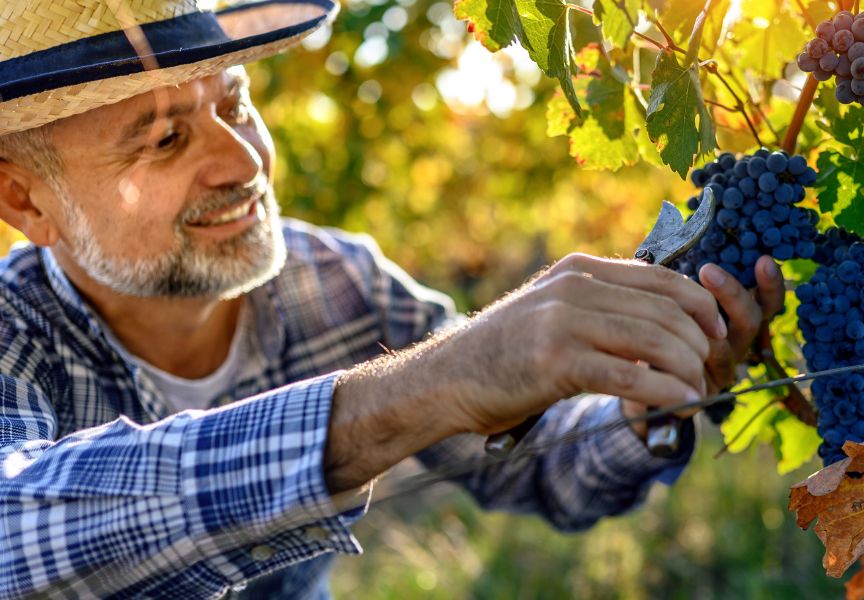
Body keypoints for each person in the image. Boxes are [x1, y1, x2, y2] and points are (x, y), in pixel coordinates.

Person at [0, 1, 783, 598]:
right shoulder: (13, 333)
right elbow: (13, 539)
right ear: (25, 200)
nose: (243, 160)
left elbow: (539, 469)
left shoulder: (338, 282)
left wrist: (639, 407)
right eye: (166, 140)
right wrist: (421, 387)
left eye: (235, 104)